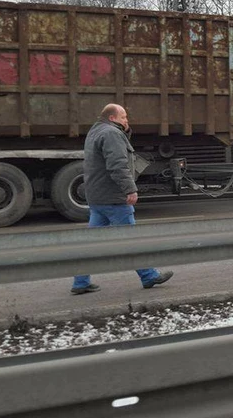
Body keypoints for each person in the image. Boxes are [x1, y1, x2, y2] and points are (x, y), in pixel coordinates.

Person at [70, 104, 173, 295]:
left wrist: (125, 130)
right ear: (112, 118)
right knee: (130, 239)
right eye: (124, 117)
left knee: (90, 243)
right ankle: (149, 276)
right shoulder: (111, 134)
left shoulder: (97, 131)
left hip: (97, 196)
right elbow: (118, 165)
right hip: (113, 197)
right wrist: (130, 189)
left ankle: (80, 281)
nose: (127, 120)